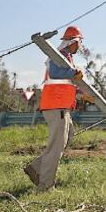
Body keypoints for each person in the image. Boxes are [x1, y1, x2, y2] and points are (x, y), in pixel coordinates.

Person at [24, 26, 83, 191]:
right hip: (56, 106)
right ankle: (45, 185)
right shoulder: (57, 57)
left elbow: (65, 81)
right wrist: (74, 73)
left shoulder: (67, 58)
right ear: (72, 41)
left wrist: (81, 93)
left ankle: (36, 168)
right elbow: (57, 73)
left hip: (62, 106)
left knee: (68, 137)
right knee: (56, 146)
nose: (79, 46)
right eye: (78, 42)